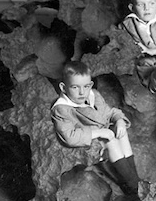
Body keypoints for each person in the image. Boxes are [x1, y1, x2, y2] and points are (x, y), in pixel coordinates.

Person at [51, 61, 139, 192]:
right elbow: (70, 137)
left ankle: (132, 178)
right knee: (111, 141)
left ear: (91, 85)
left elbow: (109, 112)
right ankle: (133, 185)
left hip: (101, 131)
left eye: (86, 86)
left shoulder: (94, 95)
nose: (82, 92)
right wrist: (99, 133)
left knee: (121, 131)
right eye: (75, 87)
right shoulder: (62, 108)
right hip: (85, 139)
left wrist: (119, 120)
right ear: (64, 88)